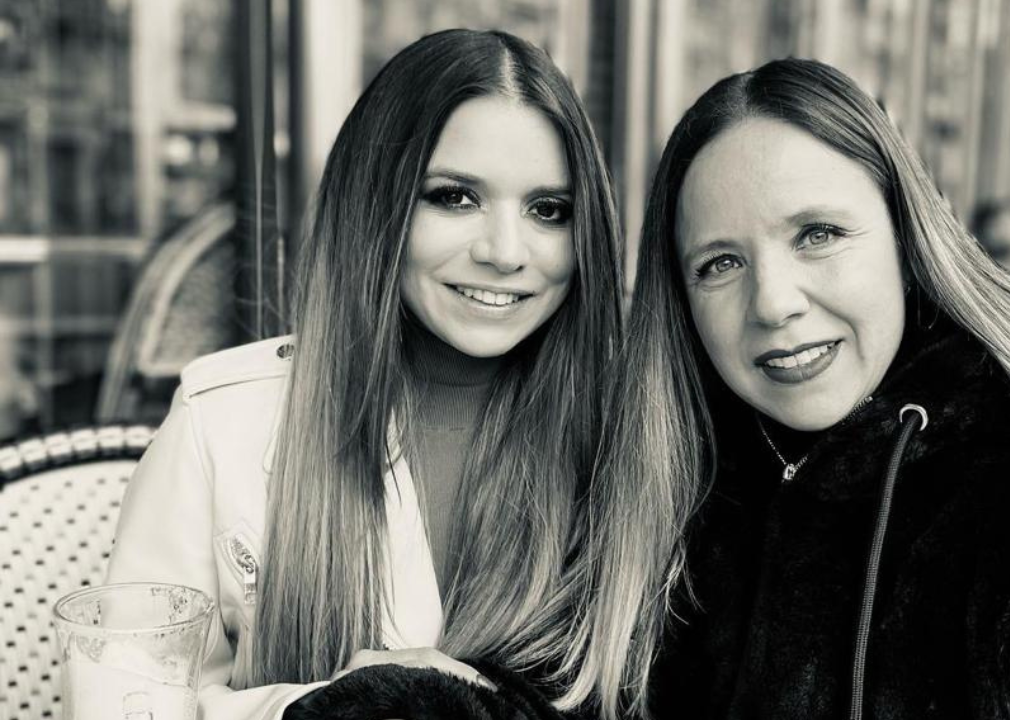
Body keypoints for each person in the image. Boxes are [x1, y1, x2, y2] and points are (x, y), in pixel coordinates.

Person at [568, 58, 1010, 719]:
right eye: (720, 262)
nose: (772, 302)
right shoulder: (666, 502)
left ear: (907, 241)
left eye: (818, 234)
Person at [106, 29, 623, 720]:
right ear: (376, 203)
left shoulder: (627, 430)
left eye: (547, 210)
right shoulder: (221, 420)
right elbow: (124, 703)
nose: (505, 252)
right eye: (455, 197)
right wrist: (345, 709)